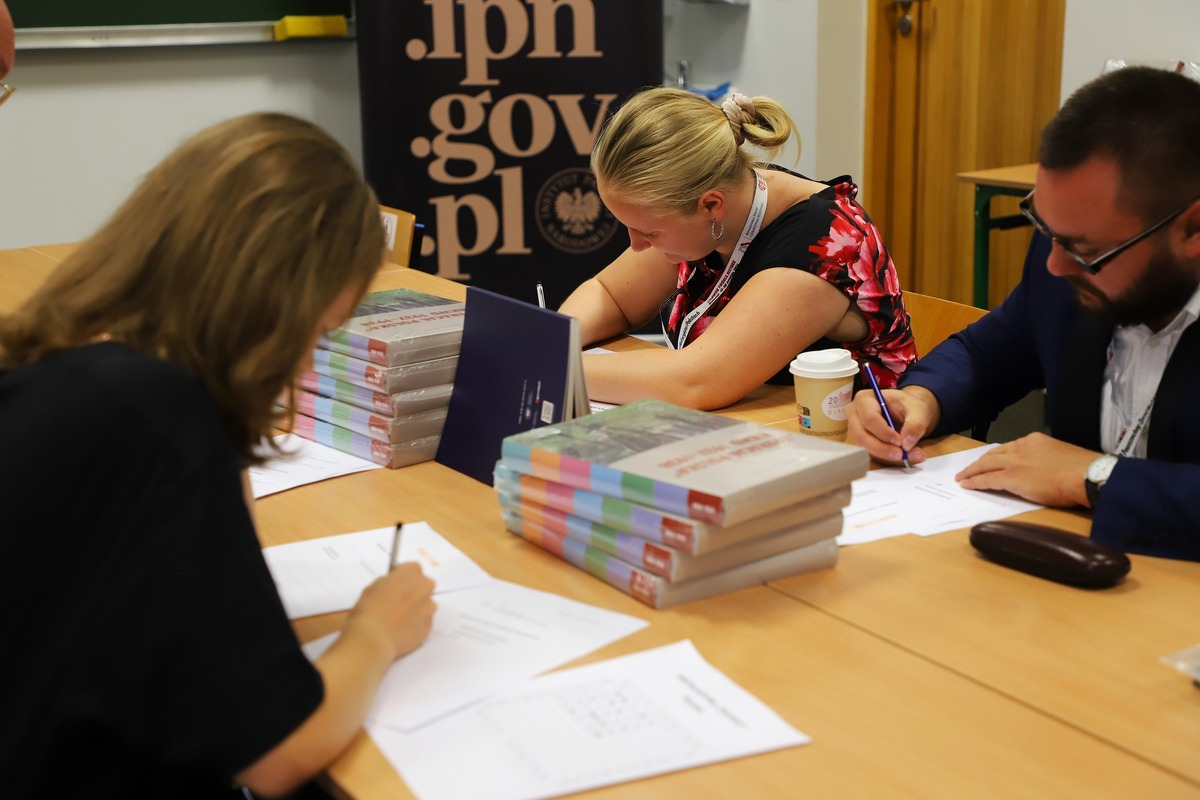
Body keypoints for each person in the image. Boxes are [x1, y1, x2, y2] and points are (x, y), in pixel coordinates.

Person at [0, 113, 437, 796]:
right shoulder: (156, 415)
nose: (304, 365)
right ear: (267, 306)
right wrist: (377, 631)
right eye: (316, 331)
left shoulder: (48, 358)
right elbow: (280, 752)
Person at [846, 66, 1200, 562]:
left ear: (1192, 230)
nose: (1055, 265)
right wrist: (919, 401)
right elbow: (987, 355)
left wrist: (1094, 477)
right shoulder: (1066, 259)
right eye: (1046, 228)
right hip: (1073, 562)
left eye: (1084, 249)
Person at [558, 86, 917, 411]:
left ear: (712, 205)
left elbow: (695, 382)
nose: (637, 246)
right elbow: (611, 294)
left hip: (850, 437)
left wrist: (554, 365)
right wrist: (554, 340)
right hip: (757, 422)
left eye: (649, 231)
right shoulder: (724, 204)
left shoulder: (823, 246)